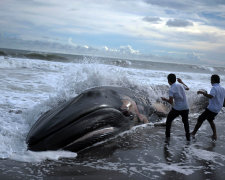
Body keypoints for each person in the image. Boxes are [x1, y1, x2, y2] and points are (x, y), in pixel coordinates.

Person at [191, 74, 225, 141]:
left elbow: (211, 96)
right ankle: (214, 135)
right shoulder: (223, 89)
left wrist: (203, 93)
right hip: (218, 108)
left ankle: (193, 133)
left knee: (200, 119)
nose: (210, 81)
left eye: (211, 80)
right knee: (210, 120)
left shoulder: (214, 88)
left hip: (212, 108)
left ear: (213, 80)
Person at [161, 73, 190, 141]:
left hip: (177, 108)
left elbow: (171, 102)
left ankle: (167, 137)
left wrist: (165, 99)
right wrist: (181, 82)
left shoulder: (171, 89)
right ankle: (188, 138)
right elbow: (188, 88)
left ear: (168, 81)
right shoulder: (180, 85)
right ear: (175, 80)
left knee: (169, 120)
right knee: (186, 123)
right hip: (186, 107)